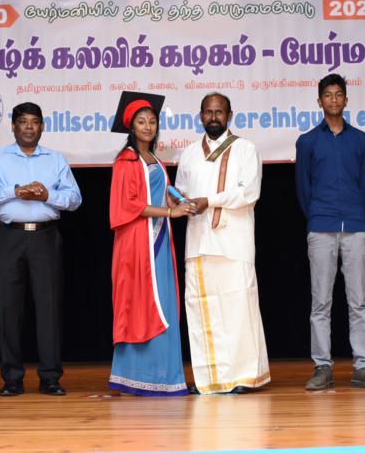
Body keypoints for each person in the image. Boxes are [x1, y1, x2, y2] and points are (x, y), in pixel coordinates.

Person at [0, 102, 82, 397]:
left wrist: (48, 196)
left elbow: (75, 199)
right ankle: (12, 378)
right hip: (9, 237)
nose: (29, 127)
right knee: (7, 309)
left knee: (49, 308)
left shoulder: (55, 160)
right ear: (13, 126)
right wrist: (14, 191)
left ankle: (50, 378)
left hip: (45, 237)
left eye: (35, 122)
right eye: (23, 122)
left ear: (42, 126)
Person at [295, 74, 365, 390]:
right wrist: (319, 215)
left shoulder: (361, 140)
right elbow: (303, 189)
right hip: (321, 227)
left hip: (356, 227)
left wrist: (351, 213)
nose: (333, 100)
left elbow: (364, 185)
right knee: (320, 304)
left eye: (339, 95)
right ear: (319, 101)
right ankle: (322, 367)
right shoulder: (307, 141)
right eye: (328, 95)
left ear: (346, 100)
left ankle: (363, 367)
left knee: (359, 302)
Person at [175, 92, 270, 394]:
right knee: (202, 311)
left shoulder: (245, 149)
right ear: (200, 115)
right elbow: (180, 190)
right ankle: (209, 380)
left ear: (229, 116)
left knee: (238, 311)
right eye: (208, 112)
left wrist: (209, 200)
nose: (213, 117)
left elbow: (248, 193)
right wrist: (177, 201)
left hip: (233, 243)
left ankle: (244, 377)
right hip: (198, 243)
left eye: (219, 112)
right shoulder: (189, 153)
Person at [108, 93, 194, 396]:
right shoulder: (126, 160)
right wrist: (170, 213)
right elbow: (129, 204)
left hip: (158, 239)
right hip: (136, 242)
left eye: (152, 121)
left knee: (164, 302)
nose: (147, 126)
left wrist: (178, 199)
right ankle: (137, 376)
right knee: (140, 302)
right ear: (131, 127)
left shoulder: (154, 159)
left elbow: (161, 191)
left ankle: (166, 376)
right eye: (141, 122)